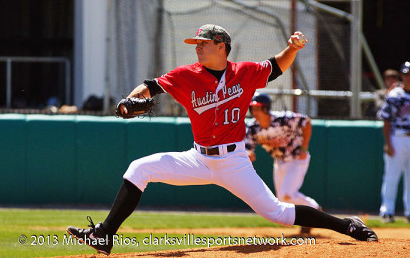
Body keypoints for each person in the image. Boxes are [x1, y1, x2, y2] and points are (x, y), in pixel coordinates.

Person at [67, 24, 377, 255]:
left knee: (279, 214)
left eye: (203, 43)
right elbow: (149, 87)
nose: (197, 48)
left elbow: (275, 67)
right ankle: (105, 235)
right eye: (196, 44)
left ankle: (347, 224)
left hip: (233, 161)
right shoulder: (186, 75)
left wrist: (293, 49)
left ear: (221, 46)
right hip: (199, 158)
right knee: (138, 168)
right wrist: (129, 102)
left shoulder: (244, 72)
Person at [244, 93, 320, 234]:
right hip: (279, 161)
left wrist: (304, 147)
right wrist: (248, 154)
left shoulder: (283, 119)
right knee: (282, 198)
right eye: (252, 109)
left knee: (287, 194)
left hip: (297, 158)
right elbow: (248, 148)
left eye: (258, 108)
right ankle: (310, 215)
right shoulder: (253, 127)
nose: (254, 112)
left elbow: (306, 122)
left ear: (266, 108)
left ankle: (314, 208)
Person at [377, 61, 410, 223]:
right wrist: (388, 143)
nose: (408, 77)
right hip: (398, 138)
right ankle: (387, 211)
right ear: (402, 76)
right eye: (406, 74)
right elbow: (386, 120)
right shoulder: (395, 95)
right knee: (392, 175)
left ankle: (409, 211)